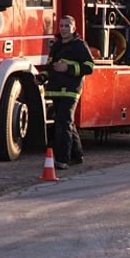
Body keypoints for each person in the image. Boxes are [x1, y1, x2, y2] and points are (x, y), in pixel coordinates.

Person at [44, 15, 94, 169]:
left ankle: (63, 159)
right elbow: (50, 67)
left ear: (74, 28)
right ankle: (77, 155)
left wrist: (69, 68)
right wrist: (42, 77)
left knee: (63, 124)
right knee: (67, 123)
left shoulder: (79, 45)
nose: (63, 29)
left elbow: (89, 67)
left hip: (71, 91)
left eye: (67, 26)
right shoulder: (56, 46)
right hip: (56, 91)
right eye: (61, 26)